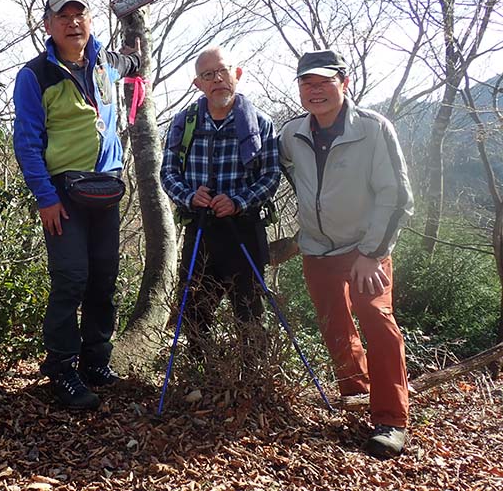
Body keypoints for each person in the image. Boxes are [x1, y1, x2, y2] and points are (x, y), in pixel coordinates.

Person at [278, 49, 414, 458]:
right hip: (317, 248)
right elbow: (288, 170)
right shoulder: (292, 133)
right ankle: (356, 390)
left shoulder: (373, 129)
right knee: (333, 320)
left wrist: (372, 252)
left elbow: (397, 195)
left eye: (323, 81)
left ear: (344, 82)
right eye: (306, 82)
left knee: (376, 316)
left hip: (364, 247)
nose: (314, 90)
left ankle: (391, 418)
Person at [13, 0, 140, 410]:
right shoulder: (35, 75)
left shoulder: (105, 62)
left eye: (79, 14)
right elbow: (27, 142)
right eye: (62, 16)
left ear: (90, 20)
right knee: (72, 278)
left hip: (106, 186)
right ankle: (62, 367)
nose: (72, 22)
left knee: (104, 278)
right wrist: (45, 197)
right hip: (63, 192)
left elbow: (132, 62)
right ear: (48, 25)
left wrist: (136, 34)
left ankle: (95, 362)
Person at [160, 47, 281, 361]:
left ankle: (253, 377)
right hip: (201, 229)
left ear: (236, 74)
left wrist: (239, 202)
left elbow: (270, 176)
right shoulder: (184, 122)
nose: (217, 80)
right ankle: (201, 372)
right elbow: (168, 172)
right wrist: (189, 196)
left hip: (244, 230)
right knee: (195, 309)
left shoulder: (260, 123)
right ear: (198, 83)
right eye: (207, 75)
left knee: (250, 310)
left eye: (223, 71)